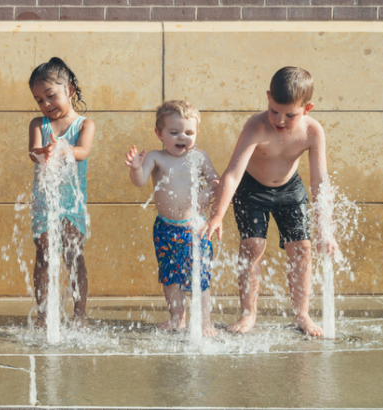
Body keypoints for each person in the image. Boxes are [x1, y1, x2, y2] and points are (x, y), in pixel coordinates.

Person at [200, 67, 339, 336]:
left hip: (290, 188)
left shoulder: (313, 132)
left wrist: (326, 228)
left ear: (307, 108)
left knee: (302, 247)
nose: (280, 120)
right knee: (253, 245)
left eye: (291, 115)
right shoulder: (256, 126)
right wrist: (217, 215)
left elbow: (320, 180)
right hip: (252, 188)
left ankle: (302, 314)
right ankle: (249, 313)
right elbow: (232, 174)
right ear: (267, 98)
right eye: (274, 110)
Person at [126, 100, 219, 337]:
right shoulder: (156, 157)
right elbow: (139, 181)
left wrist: (207, 193)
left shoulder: (199, 157)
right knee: (170, 278)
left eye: (189, 132)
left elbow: (214, 181)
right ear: (159, 133)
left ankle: (205, 322)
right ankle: (178, 318)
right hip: (166, 228)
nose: (182, 137)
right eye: (174, 132)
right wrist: (136, 168)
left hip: (195, 228)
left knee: (200, 277)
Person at [27, 57, 95, 329]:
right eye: (39, 99)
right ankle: (44, 317)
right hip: (45, 201)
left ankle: (80, 316)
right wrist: (41, 152)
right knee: (43, 254)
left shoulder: (85, 124)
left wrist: (63, 149)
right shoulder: (37, 124)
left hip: (72, 201)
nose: (45, 105)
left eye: (50, 96)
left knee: (73, 254)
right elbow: (33, 152)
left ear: (70, 90)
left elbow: (83, 152)